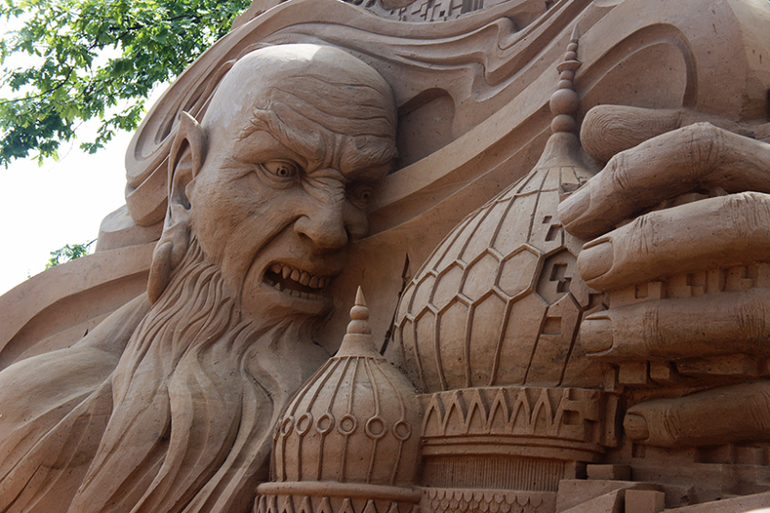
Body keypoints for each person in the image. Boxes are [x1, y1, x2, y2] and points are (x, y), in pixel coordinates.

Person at [0, 44, 398, 513]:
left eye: (360, 190)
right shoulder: (32, 413)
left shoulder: (364, 417)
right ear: (186, 181)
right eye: (282, 171)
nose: (330, 231)